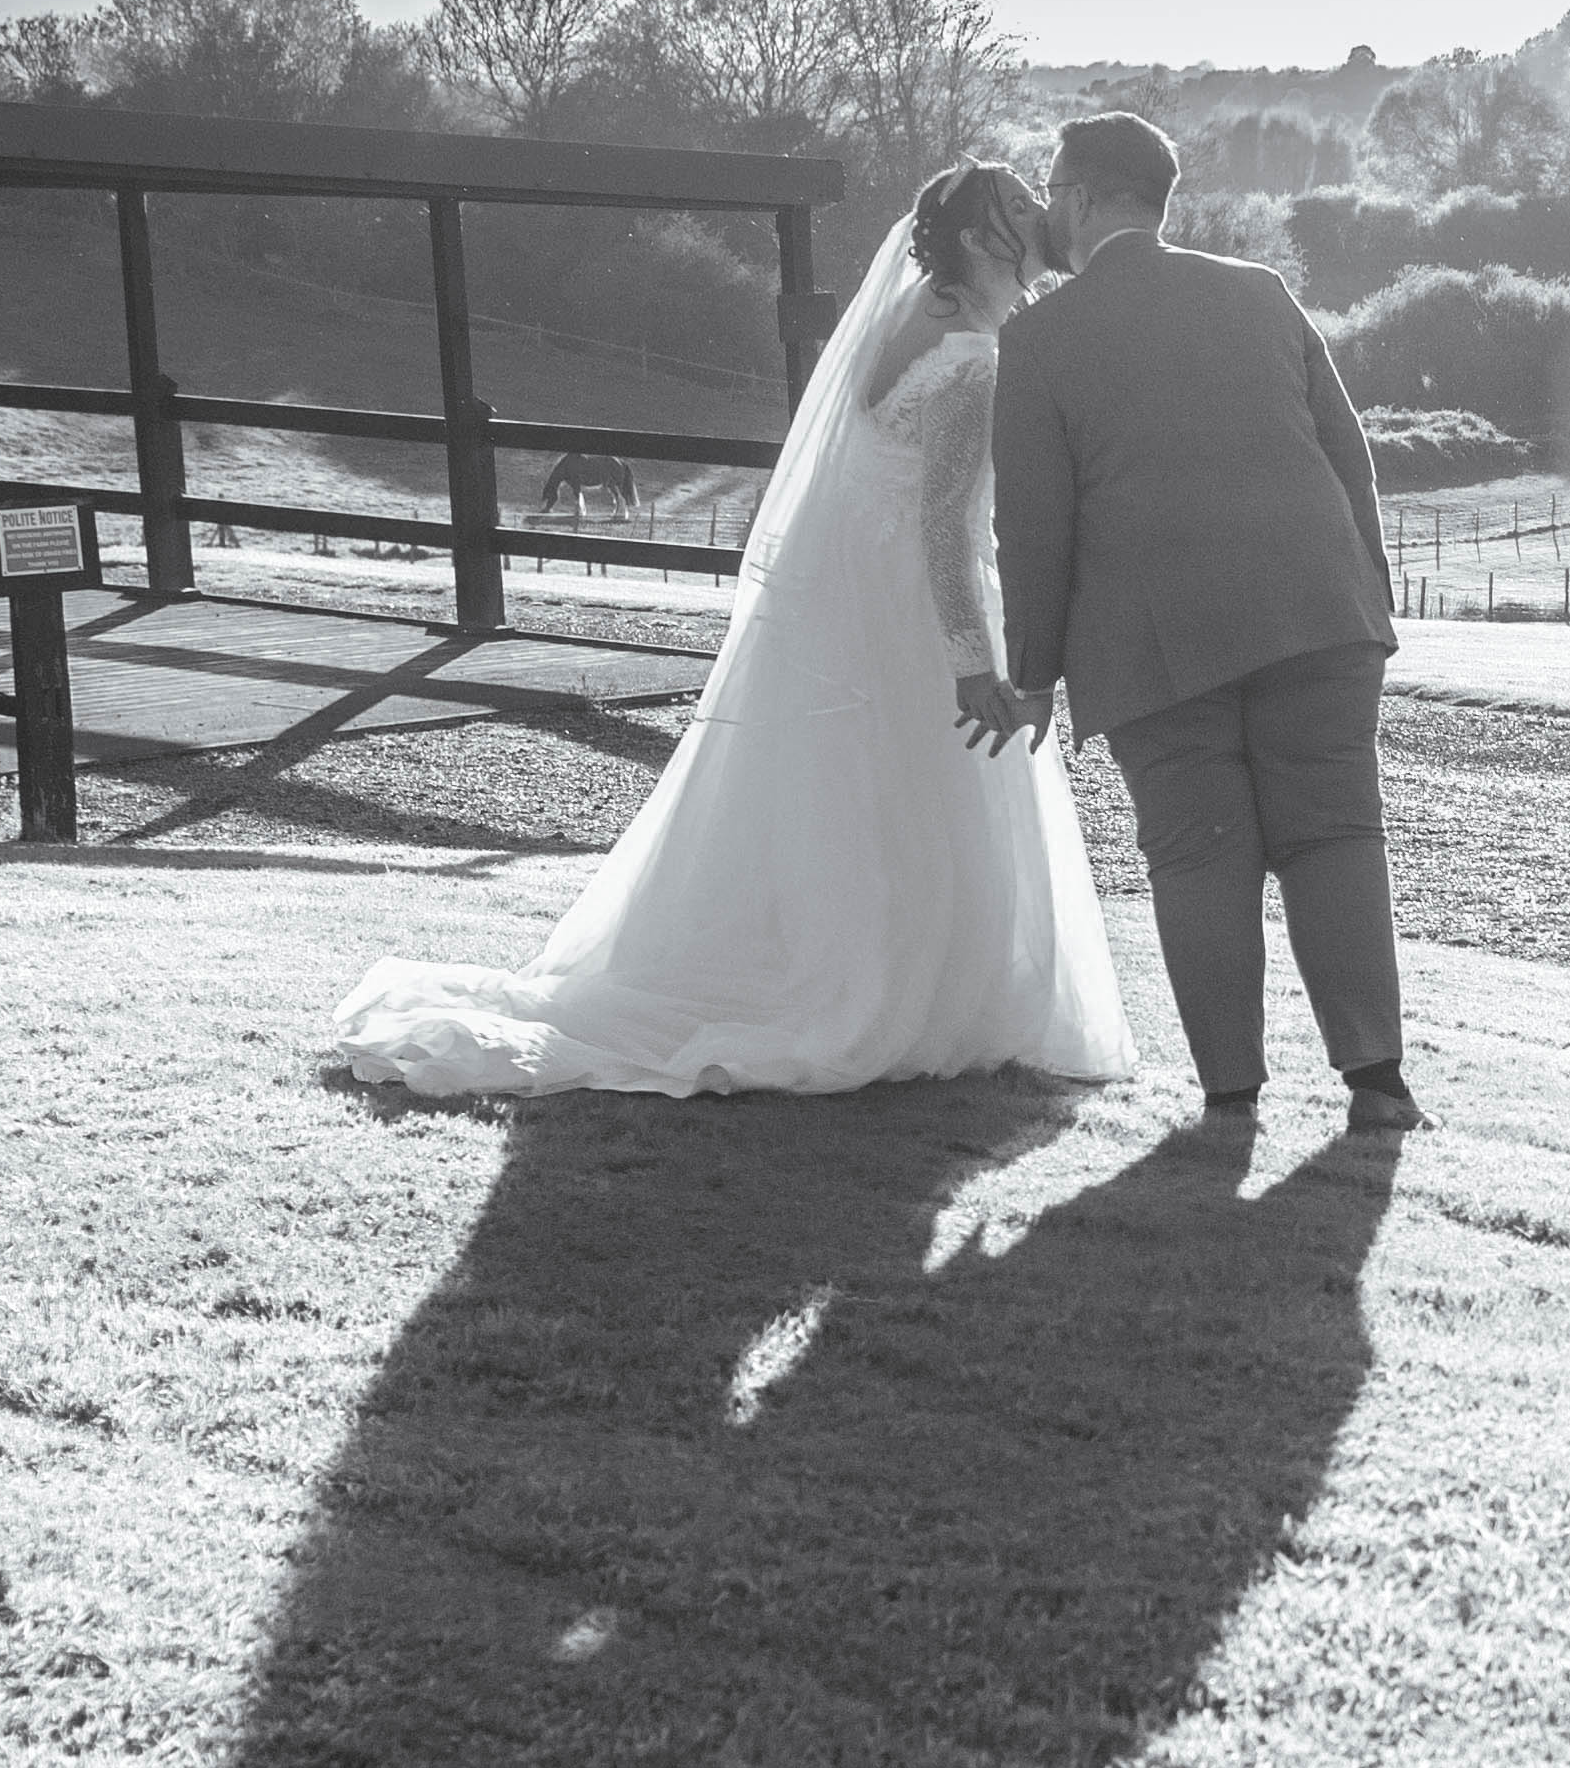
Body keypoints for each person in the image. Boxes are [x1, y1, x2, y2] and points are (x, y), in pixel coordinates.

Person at [316, 163, 1135, 1101]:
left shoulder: (916, 324)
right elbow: (943, 527)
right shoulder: (975, 361)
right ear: (989, 237)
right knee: (906, 794)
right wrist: (970, 660)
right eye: (1024, 208)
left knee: (842, 791)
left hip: (851, 597)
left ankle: (831, 959)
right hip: (911, 605)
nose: (1043, 219)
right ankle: (899, 989)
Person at [995, 108, 1421, 1133]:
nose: (1050, 208)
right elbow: (1345, 453)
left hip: (1156, 642)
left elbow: (1036, 528)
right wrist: (1365, 591)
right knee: (1337, 836)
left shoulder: (1039, 339)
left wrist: (1035, 672)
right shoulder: (1261, 293)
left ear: (1090, 197)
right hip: (1319, 614)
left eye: (1055, 189)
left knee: (1198, 853)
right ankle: (1379, 1086)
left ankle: (1232, 1099)